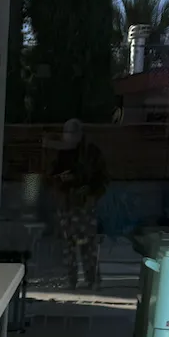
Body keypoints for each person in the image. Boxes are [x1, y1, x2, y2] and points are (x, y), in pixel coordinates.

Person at [49, 119, 109, 290]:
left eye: (72, 133)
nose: (68, 136)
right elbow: (51, 176)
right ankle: (70, 279)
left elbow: (102, 178)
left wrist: (90, 191)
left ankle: (92, 280)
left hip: (85, 205)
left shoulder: (90, 154)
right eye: (66, 132)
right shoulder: (61, 153)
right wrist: (61, 181)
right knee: (67, 245)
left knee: (88, 245)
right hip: (66, 204)